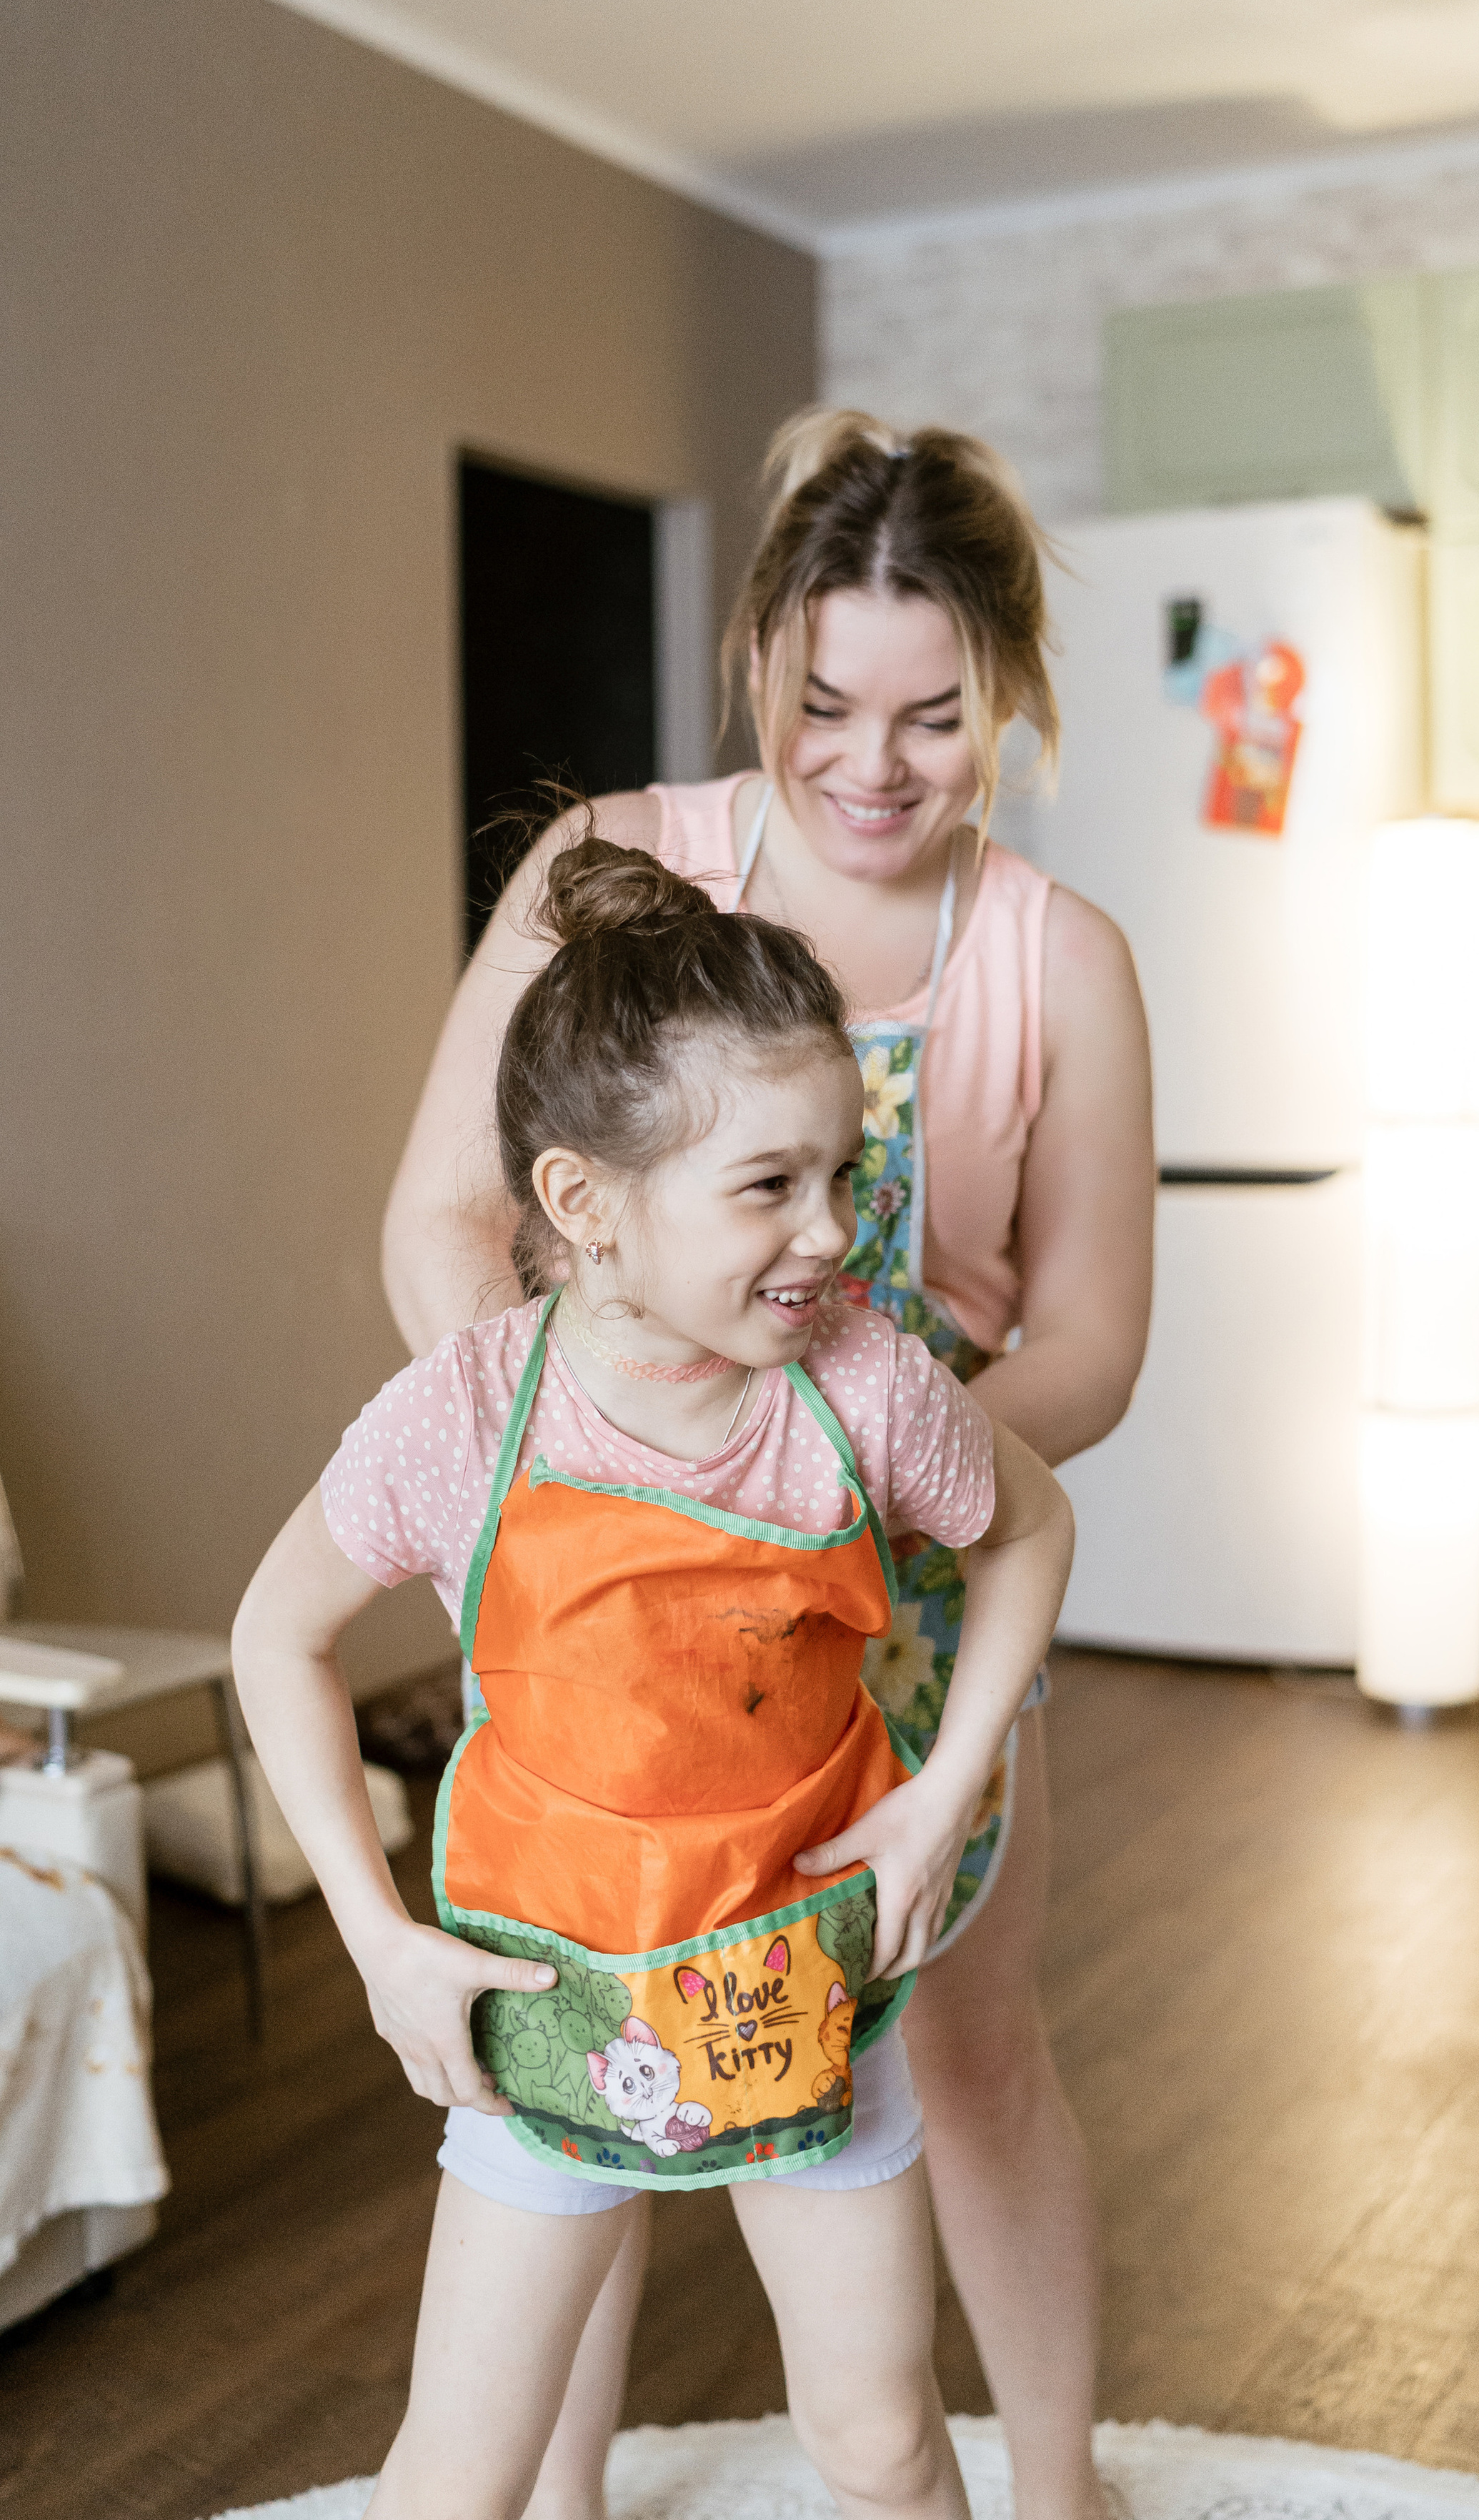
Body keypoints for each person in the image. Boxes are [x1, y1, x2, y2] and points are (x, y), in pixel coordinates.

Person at [384, 410, 1156, 2520]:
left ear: (1005, 691)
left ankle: (1066, 2488)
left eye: (934, 713)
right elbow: (448, 1215)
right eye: (825, 703)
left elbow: (1092, 1340)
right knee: (586, 2072)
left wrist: (879, 1439)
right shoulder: (613, 869)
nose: (875, 762)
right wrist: (573, 1475)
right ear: (755, 668)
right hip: (610, 1602)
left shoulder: (1055, 961)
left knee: (968, 2062)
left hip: (912, 1601)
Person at [234, 840, 1076, 2520]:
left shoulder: (867, 1389)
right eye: (767, 1187)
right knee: (457, 2478)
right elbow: (277, 1635)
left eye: (842, 1173)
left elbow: (1028, 1531)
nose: (831, 1232)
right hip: (539, 2005)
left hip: (804, 1982)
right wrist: (376, 1942)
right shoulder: (465, 1419)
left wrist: (933, 1805)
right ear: (582, 1204)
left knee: (883, 2446)